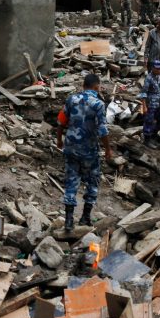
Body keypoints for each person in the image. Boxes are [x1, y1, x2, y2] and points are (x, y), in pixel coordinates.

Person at [56, 74, 111, 231]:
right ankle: (85, 217)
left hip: (71, 147)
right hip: (89, 150)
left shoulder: (71, 99)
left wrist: (59, 140)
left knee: (71, 181)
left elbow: (60, 121)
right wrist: (107, 149)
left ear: (83, 85)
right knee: (92, 181)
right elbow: (102, 130)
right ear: (96, 87)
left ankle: (68, 220)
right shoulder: (98, 104)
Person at [139, 61, 160, 147]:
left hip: (158, 103)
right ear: (152, 68)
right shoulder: (148, 78)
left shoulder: (158, 76)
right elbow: (143, 93)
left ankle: (154, 134)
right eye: (158, 68)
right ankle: (147, 140)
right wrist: (144, 106)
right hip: (151, 104)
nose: (159, 70)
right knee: (149, 121)